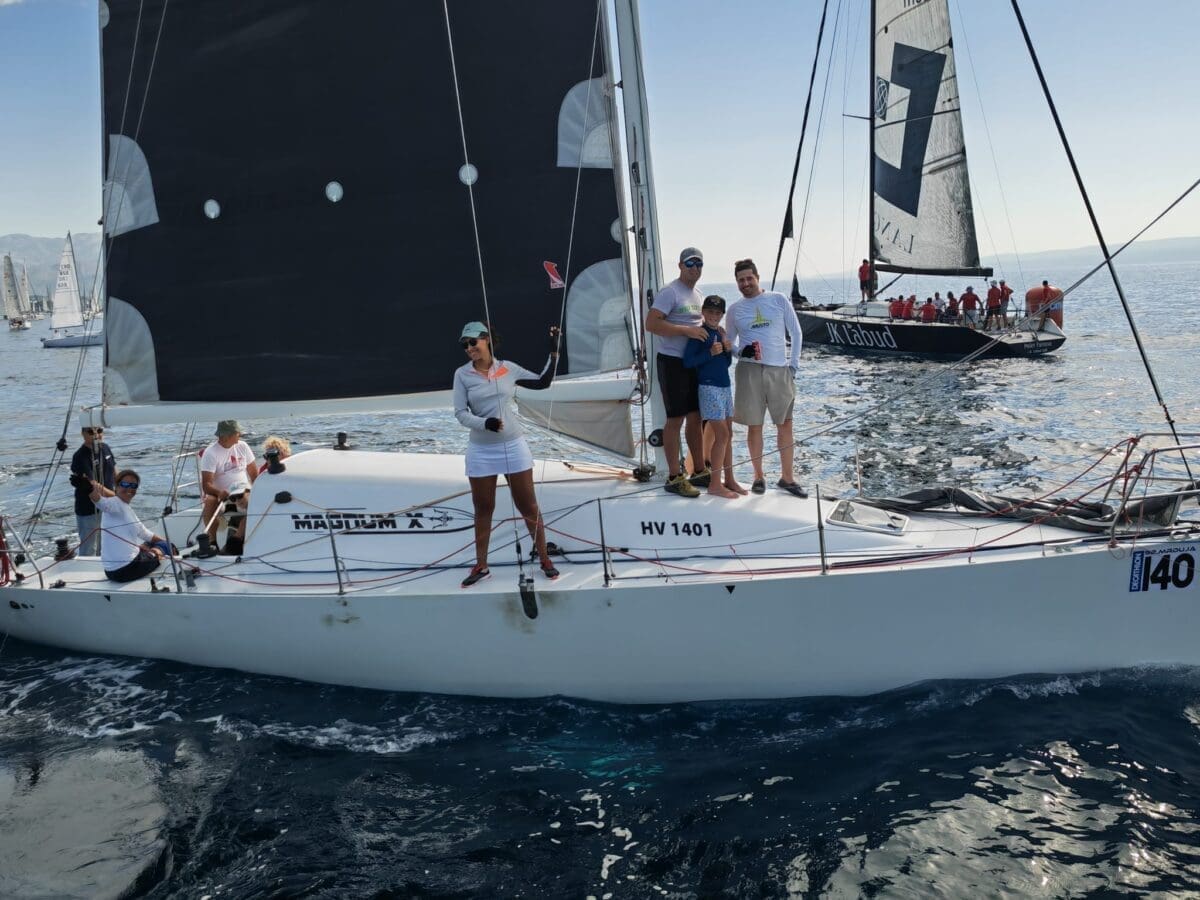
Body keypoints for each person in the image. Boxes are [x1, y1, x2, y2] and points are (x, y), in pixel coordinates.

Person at [453, 321, 562, 587]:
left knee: (528, 506)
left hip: (513, 446)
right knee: (483, 508)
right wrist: (485, 423)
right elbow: (460, 413)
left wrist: (554, 352)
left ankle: (545, 559)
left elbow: (542, 382)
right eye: (465, 344)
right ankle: (481, 566)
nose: (469, 348)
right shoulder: (462, 374)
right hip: (481, 450)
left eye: (473, 342)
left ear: (487, 340)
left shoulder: (507, 368)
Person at [725, 258, 806, 497]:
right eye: (741, 280)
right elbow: (729, 343)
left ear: (758, 278)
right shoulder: (735, 310)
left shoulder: (778, 299)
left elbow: (796, 332)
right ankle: (758, 476)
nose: (745, 283)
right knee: (754, 425)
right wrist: (741, 352)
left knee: (785, 424)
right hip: (749, 371)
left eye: (749, 278)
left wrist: (793, 366)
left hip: (780, 369)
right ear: (737, 283)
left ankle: (787, 477)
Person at [645, 248, 710, 497]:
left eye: (699, 264)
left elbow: (702, 324)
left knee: (696, 417)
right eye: (690, 263)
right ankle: (674, 476)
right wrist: (686, 331)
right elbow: (652, 323)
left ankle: (699, 471)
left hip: (693, 363)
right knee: (675, 419)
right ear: (680, 265)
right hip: (672, 363)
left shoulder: (698, 294)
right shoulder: (670, 292)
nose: (695, 268)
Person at [683, 296, 746, 498]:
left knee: (729, 433)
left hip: (725, 387)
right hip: (709, 388)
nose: (713, 316)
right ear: (703, 312)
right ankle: (715, 484)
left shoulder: (720, 333)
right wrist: (709, 353)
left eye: (718, 313)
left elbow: (725, 363)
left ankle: (729, 479)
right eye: (710, 312)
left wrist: (726, 351)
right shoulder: (700, 334)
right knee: (722, 435)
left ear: (722, 315)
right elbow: (687, 361)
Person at [73, 468, 170, 582]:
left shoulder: (126, 509)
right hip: (129, 569)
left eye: (133, 486)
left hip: (111, 572)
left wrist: (162, 541)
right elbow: (101, 502)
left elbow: (145, 533)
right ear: (117, 486)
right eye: (125, 484)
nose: (129, 488)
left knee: (152, 543)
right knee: (164, 547)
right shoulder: (115, 503)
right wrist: (89, 490)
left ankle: (158, 549)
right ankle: (164, 554)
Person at [200, 420, 259, 549]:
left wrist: (258, 492)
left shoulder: (243, 446)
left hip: (244, 491)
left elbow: (254, 475)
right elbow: (206, 485)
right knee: (210, 500)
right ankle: (212, 542)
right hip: (223, 497)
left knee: (248, 498)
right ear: (226, 436)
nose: (240, 434)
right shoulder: (210, 453)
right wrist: (219, 493)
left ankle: (239, 538)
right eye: (237, 433)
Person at [71, 425, 116, 556]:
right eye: (91, 432)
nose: (96, 435)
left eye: (99, 431)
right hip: (89, 509)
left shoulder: (105, 448)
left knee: (106, 544)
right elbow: (92, 484)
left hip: (107, 506)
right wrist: (116, 496)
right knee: (89, 547)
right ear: (83, 433)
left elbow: (114, 470)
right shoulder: (80, 456)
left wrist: (123, 487)